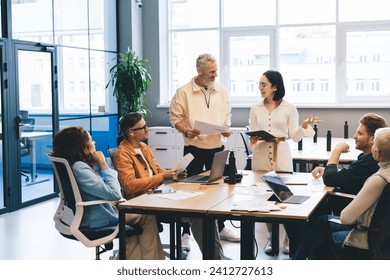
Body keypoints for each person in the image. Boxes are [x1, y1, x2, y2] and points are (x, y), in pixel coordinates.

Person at [114, 112, 226, 259]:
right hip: (143, 203)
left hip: (157, 196)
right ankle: (215, 260)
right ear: (131, 133)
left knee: (204, 212)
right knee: (199, 214)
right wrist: (162, 177)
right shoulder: (122, 154)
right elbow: (130, 185)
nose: (147, 129)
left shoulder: (143, 147)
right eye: (143, 127)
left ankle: (216, 259)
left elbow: (158, 171)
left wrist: (173, 174)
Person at [51, 126, 164, 260]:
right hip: (96, 219)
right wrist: (104, 165)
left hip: (89, 214)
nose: (94, 143)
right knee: (146, 215)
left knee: (133, 232)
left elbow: (94, 192)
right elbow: (114, 193)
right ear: (81, 147)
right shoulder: (79, 167)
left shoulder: (71, 164)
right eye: (91, 141)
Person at [169, 53, 240, 251]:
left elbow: (227, 115)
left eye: (216, 70)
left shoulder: (222, 91)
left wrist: (226, 127)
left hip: (217, 147)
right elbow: (176, 118)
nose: (215, 74)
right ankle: (186, 233)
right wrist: (185, 129)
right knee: (188, 191)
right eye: (211, 71)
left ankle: (221, 227)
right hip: (193, 147)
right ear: (199, 71)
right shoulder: (183, 92)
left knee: (217, 189)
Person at [249, 70, 319, 255]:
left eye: (263, 84)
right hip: (261, 155)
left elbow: (295, 137)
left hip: (282, 156)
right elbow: (253, 132)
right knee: (264, 199)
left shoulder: (289, 107)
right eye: (260, 84)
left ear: (275, 86)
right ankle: (272, 238)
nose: (260, 88)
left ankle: (288, 237)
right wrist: (254, 139)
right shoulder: (255, 107)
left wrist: (303, 126)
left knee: (284, 197)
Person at [293, 127, 390, 259]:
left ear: (377, 153)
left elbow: (346, 218)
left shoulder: (378, 180)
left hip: (367, 241)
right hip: (383, 237)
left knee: (317, 233)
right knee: (320, 225)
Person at [311, 113, 388, 215]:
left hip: (348, 213)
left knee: (308, 213)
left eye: (360, 134)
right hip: (353, 209)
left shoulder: (367, 165)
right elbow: (351, 176)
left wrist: (337, 150)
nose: (355, 136)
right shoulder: (368, 160)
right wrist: (326, 170)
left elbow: (329, 179)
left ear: (372, 139)